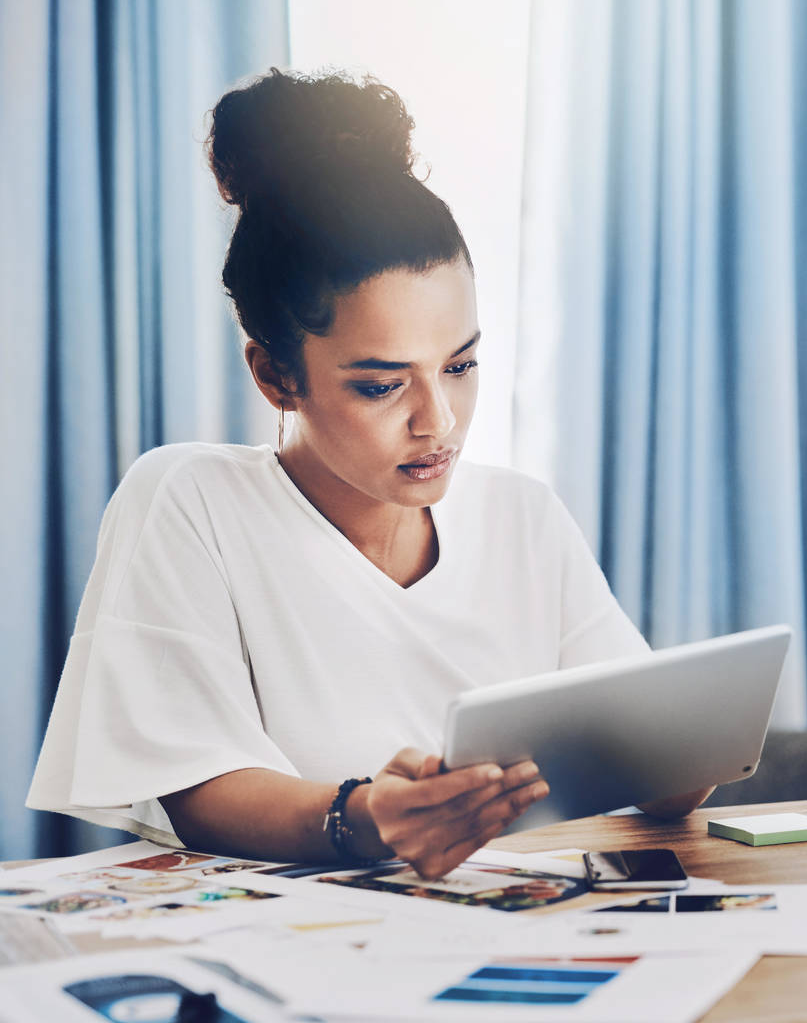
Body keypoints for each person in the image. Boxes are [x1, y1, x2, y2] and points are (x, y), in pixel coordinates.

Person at [27, 69, 710, 880]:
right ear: (277, 376)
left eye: (460, 365)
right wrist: (366, 817)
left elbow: (654, 762)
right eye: (382, 385)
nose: (439, 421)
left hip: (498, 928)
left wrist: (686, 760)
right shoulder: (189, 500)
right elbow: (194, 786)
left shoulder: (523, 516)